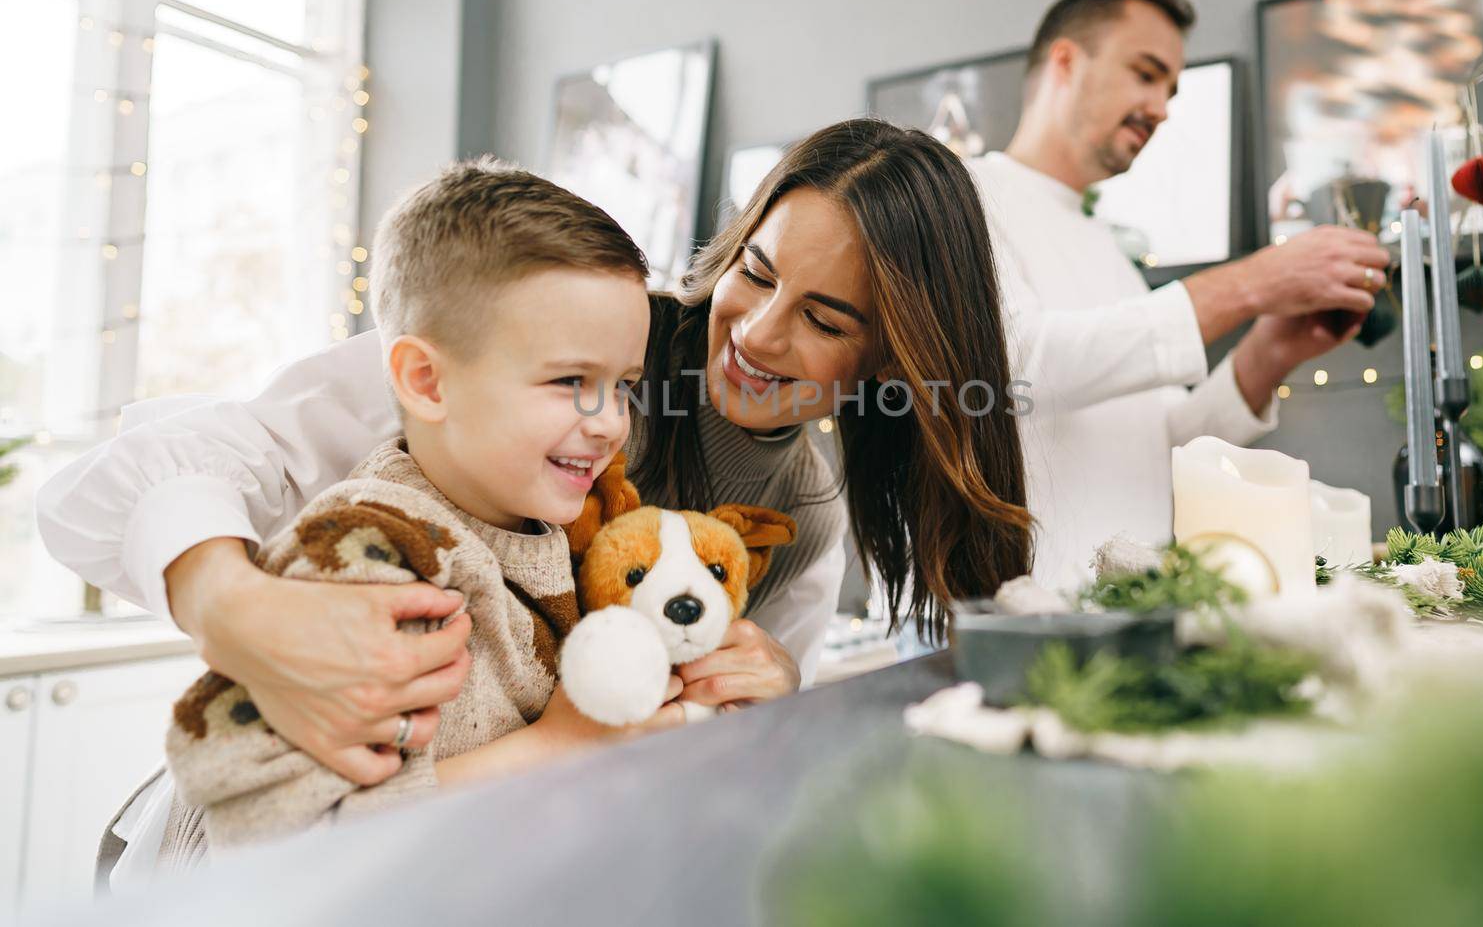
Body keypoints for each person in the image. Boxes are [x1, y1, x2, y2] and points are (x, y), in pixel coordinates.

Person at [37, 118, 1032, 786]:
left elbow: (663, 758)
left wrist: (762, 698)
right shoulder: (572, 342)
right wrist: (230, 599)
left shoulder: (803, 513)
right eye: (755, 272)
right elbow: (116, 485)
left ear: (895, 354)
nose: (758, 334)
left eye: (822, 317)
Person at [107, 158, 695, 878]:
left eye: (623, 386)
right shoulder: (369, 556)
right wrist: (558, 746)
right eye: (571, 381)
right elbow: (279, 845)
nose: (608, 421)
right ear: (425, 379)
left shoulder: (549, 532)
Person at [972, 0, 1392, 584]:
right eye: (1145, 74)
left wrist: (1270, 351)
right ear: (1066, 61)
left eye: (1170, 90)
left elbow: (1166, 449)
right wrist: (1248, 284)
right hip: (1025, 617)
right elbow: (1010, 369)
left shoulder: (1107, 248)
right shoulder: (966, 196)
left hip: (1140, 609)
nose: (1163, 108)